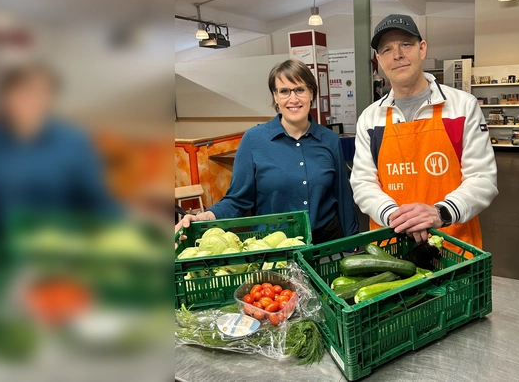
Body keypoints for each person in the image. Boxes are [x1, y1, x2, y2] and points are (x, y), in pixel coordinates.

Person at [350, 14, 498, 250]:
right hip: (390, 244)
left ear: (422, 49)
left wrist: (440, 213)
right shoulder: (370, 118)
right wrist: (396, 217)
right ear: (378, 60)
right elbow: (362, 182)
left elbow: (482, 178)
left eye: (405, 45)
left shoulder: (462, 106)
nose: (397, 54)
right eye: (386, 49)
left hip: (453, 243)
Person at [176, 59, 358, 245]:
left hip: (326, 243)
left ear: (311, 93)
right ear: (275, 96)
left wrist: (352, 242)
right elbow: (238, 200)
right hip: (273, 246)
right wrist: (204, 218)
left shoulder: (330, 140)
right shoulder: (254, 141)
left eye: (300, 90)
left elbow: (343, 196)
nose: (293, 99)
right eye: (284, 91)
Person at [0, 63, 119, 236]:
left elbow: (94, 197)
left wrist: (117, 223)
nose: (29, 100)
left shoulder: (74, 142)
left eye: (39, 92)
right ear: (4, 97)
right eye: (20, 91)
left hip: (53, 244)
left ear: (51, 98)